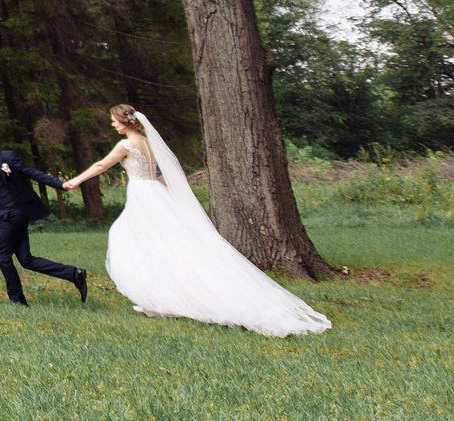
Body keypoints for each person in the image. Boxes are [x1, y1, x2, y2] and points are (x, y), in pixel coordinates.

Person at [60, 104, 331, 338]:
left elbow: (101, 166)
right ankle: (157, 298)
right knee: (159, 246)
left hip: (144, 196)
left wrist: (76, 180)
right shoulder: (152, 144)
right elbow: (163, 175)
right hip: (155, 193)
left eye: (114, 121)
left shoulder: (126, 145)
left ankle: (164, 298)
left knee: (135, 242)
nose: (112, 125)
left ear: (125, 122)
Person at [0, 127, 88, 306]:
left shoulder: (7, 157)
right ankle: (74, 274)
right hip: (2, 219)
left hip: (15, 213)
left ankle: (17, 300)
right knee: (26, 260)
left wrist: (61, 185)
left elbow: (32, 172)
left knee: (2, 256)